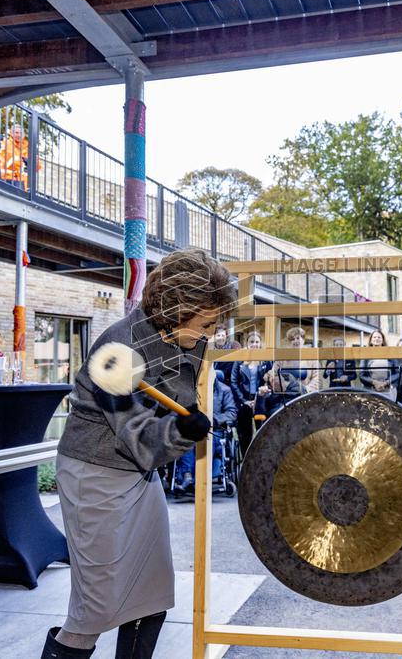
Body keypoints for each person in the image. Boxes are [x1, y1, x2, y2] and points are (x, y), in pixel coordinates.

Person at [44, 248, 235, 659]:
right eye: (207, 323)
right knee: (94, 610)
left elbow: (181, 395)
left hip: (138, 478)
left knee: (151, 594)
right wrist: (183, 430)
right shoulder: (119, 347)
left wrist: (188, 416)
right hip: (94, 474)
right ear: (176, 309)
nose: (211, 333)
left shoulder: (189, 336)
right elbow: (139, 439)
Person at [174, 370, 238, 494]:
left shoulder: (224, 390)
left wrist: (215, 419)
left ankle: (201, 476)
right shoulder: (192, 391)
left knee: (208, 438)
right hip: (195, 428)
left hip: (215, 430)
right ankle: (187, 475)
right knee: (186, 437)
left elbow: (231, 413)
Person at [229, 331, 272, 456]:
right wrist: (244, 400)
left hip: (261, 400)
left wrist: (263, 392)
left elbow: (271, 379)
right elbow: (233, 381)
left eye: (257, 342)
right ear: (247, 343)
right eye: (251, 342)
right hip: (244, 400)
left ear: (260, 344)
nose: (254, 344)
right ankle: (246, 457)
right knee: (245, 433)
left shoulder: (265, 361)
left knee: (262, 430)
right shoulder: (240, 360)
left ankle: (262, 456)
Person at [262, 327, 319, 408]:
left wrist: (306, 390)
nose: (295, 341)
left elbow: (316, 379)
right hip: (286, 397)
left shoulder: (312, 357)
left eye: (298, 338)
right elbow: (273, 372)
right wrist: (271, 378)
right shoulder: (283, 356)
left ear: (303, 340)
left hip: (306, 396)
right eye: (292, 339)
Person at [359, 329, 400, 401]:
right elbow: (361, 375)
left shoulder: (391, 353)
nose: (377, 339)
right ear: (371, 340)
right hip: (370, 390)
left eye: (379, 337)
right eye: (374, 337)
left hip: (388, 390)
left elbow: (397, 373)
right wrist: (374, 382)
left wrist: (385, 383)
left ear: (383, 340)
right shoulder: (365, 354)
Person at [0, 123, 38, 190]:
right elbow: (1, 160)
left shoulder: (27, 148)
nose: (19, 135)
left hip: (22, 182)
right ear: (11, 133)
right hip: (7, 178)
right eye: (16, 133)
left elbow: (35, 168)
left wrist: (35, 161)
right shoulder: (5, 143)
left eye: (21, 133)